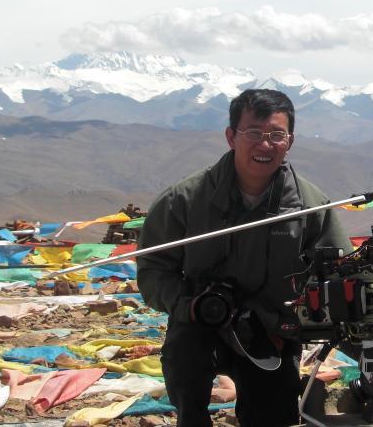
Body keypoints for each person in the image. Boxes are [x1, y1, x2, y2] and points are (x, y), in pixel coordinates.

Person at [137, 89, 350, 427]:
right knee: (185, 366)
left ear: (290, 141)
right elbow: (153, 270)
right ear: (231, 137)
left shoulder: (311, 206)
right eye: (253, 133)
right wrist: (186, 306)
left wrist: (294, 323)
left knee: (275, 415)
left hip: (271, 332)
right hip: (200, 324)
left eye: (276, 135)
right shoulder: (185, 200)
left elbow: (339, 274)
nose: (265, 145)